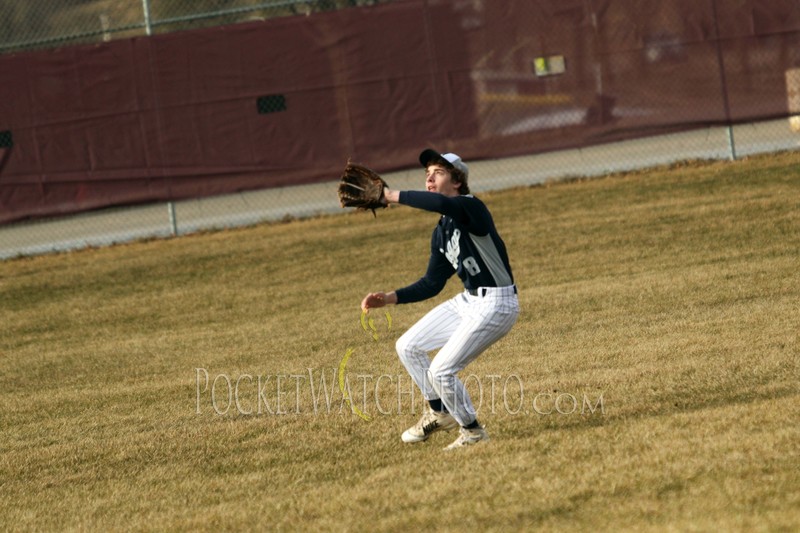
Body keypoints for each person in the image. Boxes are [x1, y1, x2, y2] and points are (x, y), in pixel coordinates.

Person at [360, 148, 519, 450]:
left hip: (497, 304)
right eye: (427, 172)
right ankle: (440, 411)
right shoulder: (443, 230)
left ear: (457, 181)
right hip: (470, 301)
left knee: (441, 370)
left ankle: (472, 432)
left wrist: (390, 196)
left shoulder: (471, 208)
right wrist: (389, 298)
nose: (430, 177)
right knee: (407, 346)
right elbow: (432, 283)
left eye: (439, 171)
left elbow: (441, 203)